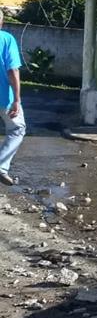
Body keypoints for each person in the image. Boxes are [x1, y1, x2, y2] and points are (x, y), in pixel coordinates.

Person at [0, 10, 24, 186]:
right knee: (17, 129)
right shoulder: (6, 39)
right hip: (4, 98)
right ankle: (1, 167)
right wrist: (17, 99)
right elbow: (13, 69)